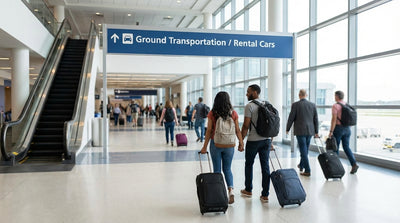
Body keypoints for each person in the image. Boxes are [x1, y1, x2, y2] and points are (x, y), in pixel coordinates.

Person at [200, 92, 244, 205]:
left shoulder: (212, 113)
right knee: (228, 169)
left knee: (217, 170)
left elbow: (209, 131)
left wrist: (204, 147)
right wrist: (241, 142)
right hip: (229, 145)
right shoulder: (233, 113)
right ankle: (231, 190)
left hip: (216, 144)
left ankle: (218, 193)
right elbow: (237, 130)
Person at [240, 84, 273, 203]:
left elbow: (245, 126)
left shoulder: (249, 106)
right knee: (265, 167)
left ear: (255, 92)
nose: (246, 94)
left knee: (249, 164)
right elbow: (272, 124)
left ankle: (248, 189)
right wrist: (271, 141)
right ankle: (265, 195)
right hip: (266, 140)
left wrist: (241, 141)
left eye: (248, 92)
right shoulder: (266, 103)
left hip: (253, 141)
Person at [286, 89, 319, 177]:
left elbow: (291, 117)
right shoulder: (312, 105)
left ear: (299, 95)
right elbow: (316, 119)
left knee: (303, 150)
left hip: (300, 130)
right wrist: (316, 131)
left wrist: (287, 128)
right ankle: (301, 164)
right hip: (310, 131)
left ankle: (307, 170)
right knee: (305, 149)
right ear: (306, 95)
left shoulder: (296, 105)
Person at [329, 90, 359, 174]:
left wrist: (331, 131)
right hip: (347, 129)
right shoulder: (346, 105)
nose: (334, 97)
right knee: (346, 147)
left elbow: (334, 119)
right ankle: (354, 164)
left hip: (338, 129)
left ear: (337, 96)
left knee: (335, 148)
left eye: (335, 96)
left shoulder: (335, 106)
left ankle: (337, 168)